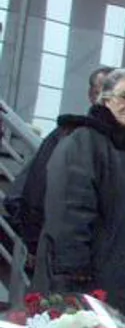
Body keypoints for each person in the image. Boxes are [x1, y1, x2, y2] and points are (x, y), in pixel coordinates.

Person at [32, 67, 125, 324]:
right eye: (124, 97)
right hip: (84, 292)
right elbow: (69, 214)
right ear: (105, 99)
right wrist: (74, 280)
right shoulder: (83, 141)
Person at [5, 65, 113, 257]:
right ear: (92, 96)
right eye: (103, 93)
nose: (110, 101)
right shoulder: (67, 137)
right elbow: (36, 192)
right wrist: (35, 245)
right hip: (64, 256)